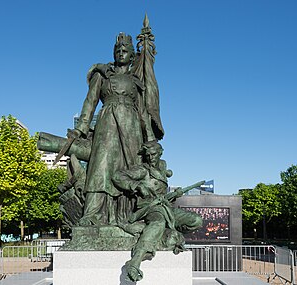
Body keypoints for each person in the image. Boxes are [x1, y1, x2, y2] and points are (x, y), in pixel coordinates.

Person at [76, 33, 157, 226]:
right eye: (118, 50)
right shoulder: (102, 75)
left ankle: (128, 216)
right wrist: (81, 127)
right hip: (107, 124)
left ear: (131, 55)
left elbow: (143, 112)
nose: (121, 53)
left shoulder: (135, 81)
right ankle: (93, 214)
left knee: (129, 169)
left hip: (132, 129)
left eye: (125, 50)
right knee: (100, 167)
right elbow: (90, 101)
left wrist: (150, 137)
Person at [112, 141, 202, 282]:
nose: (150, 158)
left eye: (153, 154)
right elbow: (117, 176)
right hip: (151, 208)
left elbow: (162, 193)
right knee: (158, 223)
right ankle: (135, 261)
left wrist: (174, 195)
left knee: (196, 221)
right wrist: (136, 185)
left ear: (160, 153)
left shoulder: (162, 166)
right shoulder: (142, 170)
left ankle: (168, 235)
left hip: (167, 208)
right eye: (148, 155)